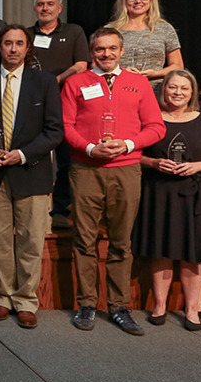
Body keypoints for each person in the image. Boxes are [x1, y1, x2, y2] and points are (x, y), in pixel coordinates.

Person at [61, 26, 165, 336]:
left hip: (126, 169)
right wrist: (91, 147)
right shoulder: (75, 83)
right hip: (85, 169)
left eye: (111, 49)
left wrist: (128, 145)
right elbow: (66, 127)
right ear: (91, 52)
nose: (106, 54)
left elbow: (156, 127)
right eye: (99, 49)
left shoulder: (138, 83)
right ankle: (87, 304)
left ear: (121, 51)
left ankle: (119, 307)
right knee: (84, 238)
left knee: (121, 241)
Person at [0, 25, 63, 330]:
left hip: (31, 171)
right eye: (7, 43)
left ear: (28, 48)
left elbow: (55, 131)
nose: (13, 49)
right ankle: (2, 298)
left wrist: (22, 154)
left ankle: (26, 301)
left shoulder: (45, 82)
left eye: (19, 44)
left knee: (30, 241)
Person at [134, 70, 201, 331]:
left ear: (193, 92)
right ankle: (160, 306)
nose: (177, 92)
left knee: (193, 254)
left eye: (184, 88)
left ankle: (191, 309)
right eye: (172, 87)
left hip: (195, 195)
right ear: (163, 90)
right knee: (159, 250)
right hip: (158, 192)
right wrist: (153, 162)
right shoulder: (150, 120)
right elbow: (133, 154)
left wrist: (197, 166)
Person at [27, 0, 91, 230]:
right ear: (35, 8)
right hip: (33, 104)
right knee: (32, 154)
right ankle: (34, 208)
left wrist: (56, 81)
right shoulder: (26, 34)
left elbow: (82, 65)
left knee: (66, 158)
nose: (45, 8)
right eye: (41, 4)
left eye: (50, 4)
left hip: (66, 102)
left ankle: (61, 209)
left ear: (59, 8)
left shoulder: (74, 32)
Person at [109, 0, 183, 87]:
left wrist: (155, 74)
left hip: (155, 91)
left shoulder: (164, 29)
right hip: (119, 88)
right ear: (124, 1)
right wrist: (121, 72)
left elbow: (177, 65)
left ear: (151, 0)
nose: (138, 1)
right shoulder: (111, 30)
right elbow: (96, 65)